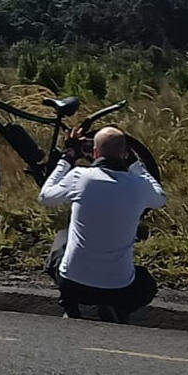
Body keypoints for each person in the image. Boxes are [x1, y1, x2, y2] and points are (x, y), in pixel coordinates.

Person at [38, 125, 166, 323]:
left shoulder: (80, 177)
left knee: (63, 237)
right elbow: (160, 198)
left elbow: (45, 196)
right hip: (119, 289)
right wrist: (135, 164)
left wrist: (68, 157)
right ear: (124, 153)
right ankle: (119, 307)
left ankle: (70, 304)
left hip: (73, 284)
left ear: (95, 152)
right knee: (146, 283)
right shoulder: (138, 186)